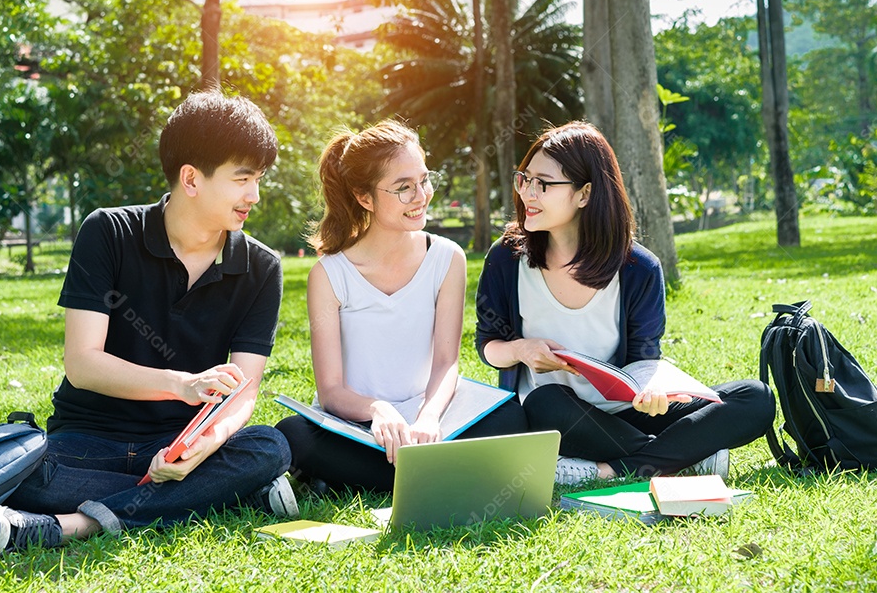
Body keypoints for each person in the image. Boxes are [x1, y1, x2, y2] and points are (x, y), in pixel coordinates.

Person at [0, 91, 297, 558]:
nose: (254, 195)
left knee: (269, 446)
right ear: (191, 178)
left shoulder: (261, 267)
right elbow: (82, 364)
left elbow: (244, 391)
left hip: (180, 444)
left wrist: (203, 448)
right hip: (88, 442)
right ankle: (222, 492)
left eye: (258, 179)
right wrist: (182, 384)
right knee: (31, 475)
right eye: (243, 179)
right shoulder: (107, 233)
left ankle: (72, 526)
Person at [475, 121, 774, 484]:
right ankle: (684, 456)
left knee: (754, 398)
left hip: (627, 413)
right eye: (525, 179)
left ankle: (611, 470)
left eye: (544, 183)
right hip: (559, 415)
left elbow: (643, 361)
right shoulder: (507, 258)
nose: (528, 193)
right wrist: (521, 349)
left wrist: (652, 390)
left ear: (585, 194)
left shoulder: (639, 269)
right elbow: (487, 344)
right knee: (545, 402)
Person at [276, 120, 528, 492]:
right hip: (359, 424)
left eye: (424, 180)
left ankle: (379, 476)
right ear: (365, 198)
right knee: (292, 435)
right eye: (403, 188)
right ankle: (435, 473)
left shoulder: (447, 258)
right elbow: (330, 391)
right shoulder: (330, 274)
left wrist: (428, 419)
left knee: (510, 419)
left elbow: (447, 363)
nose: (421, 196)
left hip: (429, 417)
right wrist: (378, 410)